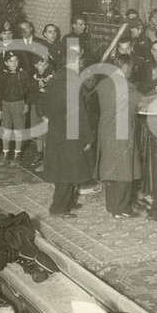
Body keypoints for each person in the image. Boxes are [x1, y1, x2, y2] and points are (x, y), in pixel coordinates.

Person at [39, 52, 95, 219]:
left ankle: (68, 202)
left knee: (67, 168)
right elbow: (81, 113)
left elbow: (41, 103)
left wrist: (47, 116)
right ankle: (58, 208)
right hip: (70, 134)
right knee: (67, 171)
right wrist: (88, 138)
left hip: (57, 132)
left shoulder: (56, 78)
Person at [96, 54, 142, 219]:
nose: (132, 70)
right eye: (131, 67)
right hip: (122, 132)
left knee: (110, 168)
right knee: (124, 170)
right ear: (126, 67)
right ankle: (122, 208)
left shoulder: (102, 84)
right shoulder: (127, 86)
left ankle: (112, 206)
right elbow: (144, 104)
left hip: (106, 130)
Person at [0, 51, 31, 165]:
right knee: (5, 130)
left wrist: (27, 104)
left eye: (16, 61)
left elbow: (29, 91)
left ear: (18, 61)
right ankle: (6, 153)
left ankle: (17, 153)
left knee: (18, 130)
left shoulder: (23, 74)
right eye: (10, 61)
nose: (14, 63)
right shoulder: (2, 75)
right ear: (6, 63)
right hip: (5, 104)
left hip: (18, 104)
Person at [26, 55, 54, 166]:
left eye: (45, 64)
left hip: (46, 108)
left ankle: (48, 157)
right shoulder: (34, 77)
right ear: (35, 66)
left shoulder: (52, 77)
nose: (42, 67)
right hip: (35, 107)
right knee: (38, 132)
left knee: (47, 133)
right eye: (40, 64)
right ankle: (39, 154)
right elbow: (31, 90)